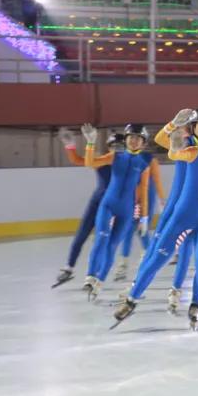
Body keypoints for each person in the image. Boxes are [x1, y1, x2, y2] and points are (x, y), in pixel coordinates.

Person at [114, 110, 198, 330]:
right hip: (182, 215)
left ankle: (196, 305)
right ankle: (132, 299)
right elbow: (174, 154)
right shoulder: (195, 152)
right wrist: (173, 136)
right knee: (158, 258)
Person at [79, 123, 151, 300]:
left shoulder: (143, 165)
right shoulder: (115, 156)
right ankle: (90, 276)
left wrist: (144, 218)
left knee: (112, 246)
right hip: (108, 205)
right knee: (101, 239)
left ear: (143, 143)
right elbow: (90, 163)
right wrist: (90, 143)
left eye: (138, 138)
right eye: (131, 137)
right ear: (125, 139)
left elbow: (143, 191)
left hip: (126, 210)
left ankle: (100, 281)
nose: (134, 141)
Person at [53, 130, 123, 287]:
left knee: (101, 240)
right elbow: (78, 160)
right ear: (109, 147)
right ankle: (69, 267)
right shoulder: (102, 160)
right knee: (81, 235)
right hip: (97, 202)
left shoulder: (128, 164)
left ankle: (94, 274)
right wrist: (70, 146)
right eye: (113, 146)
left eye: (120, 146)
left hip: (113, 206)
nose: (116, 149)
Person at [159, 108, 198, 313]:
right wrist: (172, 124)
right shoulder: (185, 143)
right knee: (167, 248)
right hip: (178, 206)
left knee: (192, 253)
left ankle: (178, 291)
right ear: (193, 127)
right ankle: (143, 287)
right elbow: (160, 140)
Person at [114, 140, 165, 282]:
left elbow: (157, 180)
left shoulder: (150, 159)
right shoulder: (125, 158)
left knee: (139, 230)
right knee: (129, 230)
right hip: (130, 198)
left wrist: (162, 199)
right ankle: (129, 263)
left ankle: (144, 262)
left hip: (145, 199)